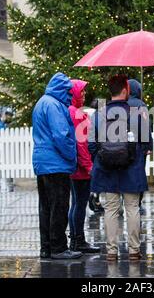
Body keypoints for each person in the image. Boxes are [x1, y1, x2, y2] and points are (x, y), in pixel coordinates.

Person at [88, 75, 149, 261]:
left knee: (111, 209)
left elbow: (91, 144)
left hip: (107, 169)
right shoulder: (137, 112)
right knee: (132, 208)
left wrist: (101, 158)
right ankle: (133, 250)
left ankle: (112, 251)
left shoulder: (99, 113)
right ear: (125, 90)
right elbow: (146, 143)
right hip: (132, 169)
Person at [32, 72, 82, 260]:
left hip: (43, 163)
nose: (70, 94)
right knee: (59, 207)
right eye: (68, 90)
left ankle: (46, 247)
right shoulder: (54, 105)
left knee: (45, 207)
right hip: (56, 163)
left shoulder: (42, 102)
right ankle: (59, 247)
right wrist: (72, 157)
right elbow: (61, 135)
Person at [67, 79, 100, 254]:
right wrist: (88, 166)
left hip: (74, 166)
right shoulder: (77, 113)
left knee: (75, 204)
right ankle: (78, 240)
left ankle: (74, 239)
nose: (85, 94)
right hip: (81, 167)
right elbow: (82, 143)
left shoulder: (71, 111)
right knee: (80, 204)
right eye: (82, 92)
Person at [128, 79, 153, 215]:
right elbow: (145, 126)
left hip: (125, 147)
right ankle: (137, 202)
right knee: (139, 174)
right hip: (139, 147)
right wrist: (148, 145)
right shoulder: (141, 105)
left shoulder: (122, 104)